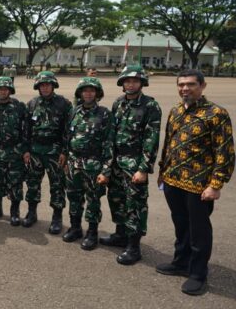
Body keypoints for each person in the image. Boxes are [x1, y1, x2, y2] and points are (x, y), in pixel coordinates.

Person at [156, 69, 234, 295]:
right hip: (173, 180)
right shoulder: (176, 111)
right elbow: (169, 143)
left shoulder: (216, 114)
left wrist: (216, 185)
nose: (185, 89)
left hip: (199, 184)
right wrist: (162, 170)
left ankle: (198, 274)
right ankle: (181, 262)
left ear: (202, 86)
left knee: (199, 230)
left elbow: (225, 152)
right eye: (181, 85)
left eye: (190, 84)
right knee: (181, 225)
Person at [102, 65, 161, 265]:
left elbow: (151, 139)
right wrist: (108, 164)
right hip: (117, 162)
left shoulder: (150, 106)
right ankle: (120, 235)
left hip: (134, 163)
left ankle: (134, 247)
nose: (130, 84)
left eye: (135, 81)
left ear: (142, 83)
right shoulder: (118, 103)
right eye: (127, 81)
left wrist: (144, 168)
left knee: (135, 204)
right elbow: (111, 134)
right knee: (116, 199)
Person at [62, 77, 114, 251]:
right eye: (85, 90)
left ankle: (92, 233)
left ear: (97, 94)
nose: (88, 93)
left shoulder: (104, 114)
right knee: (73, 197)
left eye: (92, 91)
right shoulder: (74, 112)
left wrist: (106, 170)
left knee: (93, 200)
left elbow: (109, 143)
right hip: (74, 163)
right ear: (80, 93)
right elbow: (67, 136)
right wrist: (65, 156)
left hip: (93, 164)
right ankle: (75, 227)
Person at [25, 71, 72, 233]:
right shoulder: (32, 104)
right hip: (35, 151)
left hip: (55, 151)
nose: (45, 88)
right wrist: (26, 150)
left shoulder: (64, 104)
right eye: (42, 85)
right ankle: (31, 213)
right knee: (32, 183)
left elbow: (68, 130)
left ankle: (57, 218)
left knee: (57, 185)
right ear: (38, 87)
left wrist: (65, 151)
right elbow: (27, 130)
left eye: (48, 85)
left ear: (53, 86)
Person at [0, 77, 30, 226]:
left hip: (16, 150)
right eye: (0, 89)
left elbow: (27, 130)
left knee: (16, 182)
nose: (3, 91)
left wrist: (26, 149)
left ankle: (15, 212)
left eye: (6, 89)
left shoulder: (19, 107)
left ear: (10, 90)